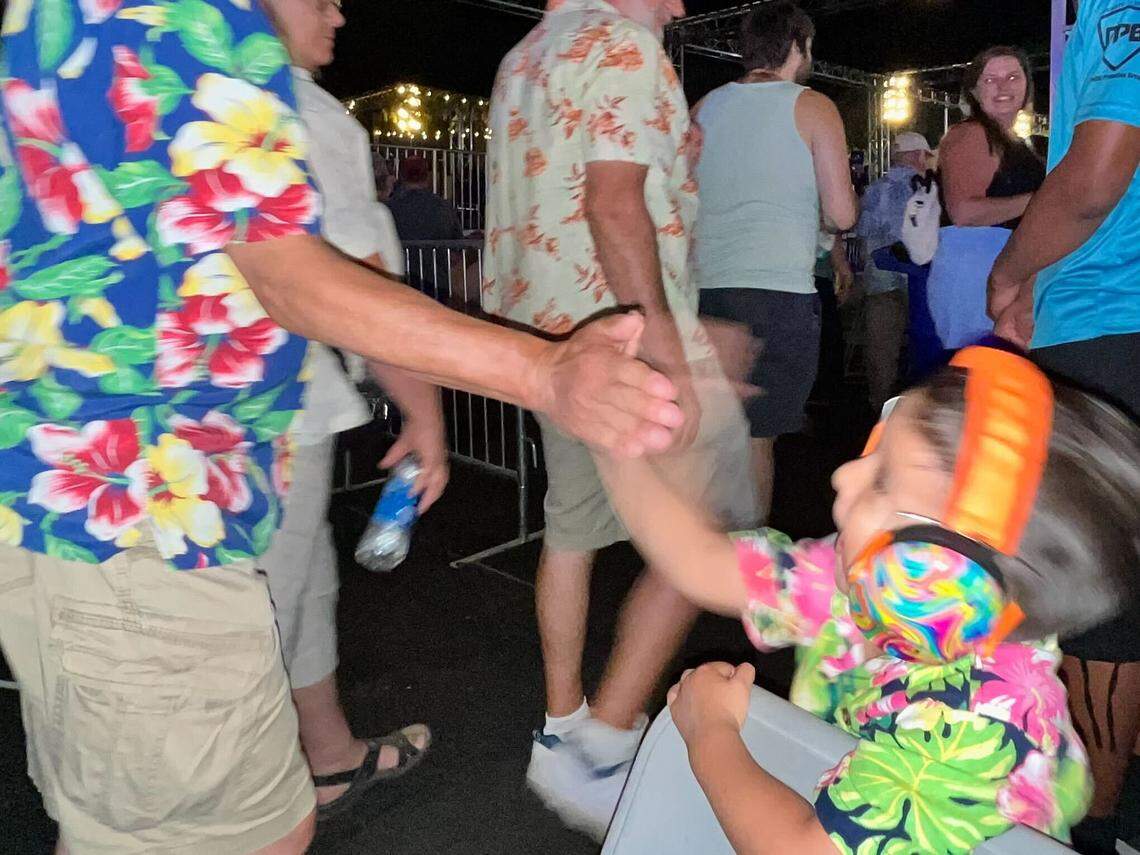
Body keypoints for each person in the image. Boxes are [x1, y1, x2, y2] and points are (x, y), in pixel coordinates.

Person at [0, 1, 686, 851]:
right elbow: (293, 276)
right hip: (136, 509)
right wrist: (545, 371)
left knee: (227, 821)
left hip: (111, 497)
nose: (340, 9)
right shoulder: (184, 15)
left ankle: (337, 753)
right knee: (229, 833)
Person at [596, 348, 1140, 854]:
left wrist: (710, 733)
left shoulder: (983, 722)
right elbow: (703, 562)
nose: (843, 473)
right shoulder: (879, 589)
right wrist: (615, 441)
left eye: (883, 480)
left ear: (942, 576)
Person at [483, 0, 759, 838]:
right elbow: (612, 205)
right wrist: (672, 351)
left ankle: (562, 723)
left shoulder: (523, 58)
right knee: (704, 534)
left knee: (570, 530)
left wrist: (677, 156)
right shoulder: (627, 48)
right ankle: (600, 743)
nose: (679, 7)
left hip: (552, 343)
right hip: (630, 347)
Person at [261, 0, 446, 820]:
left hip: (251, 420)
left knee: (307, 584)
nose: (339, 13)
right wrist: (425, 413)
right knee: (256, 623)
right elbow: (367, 289)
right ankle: (256, 806)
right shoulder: (296, 110)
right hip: (257, 425)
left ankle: (328, 755)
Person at [988, 1, 1140, 849]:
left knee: (1096, 596)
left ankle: (1089, 828)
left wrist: (1012, 271)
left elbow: (1094, 176)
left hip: (1110, 323)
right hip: (1107, 322)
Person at [693, 0, 858, 523]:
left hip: (705, 291)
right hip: (778, 294)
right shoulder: (813, 107)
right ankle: (747, 559)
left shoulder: (704, 107)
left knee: (712, 438)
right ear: (799, 45)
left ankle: (695, 551)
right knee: (757, 439)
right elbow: (843, 212)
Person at [927, 46, 1044, 350]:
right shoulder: (972, 134)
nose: (1003, 86)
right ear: (974, 91)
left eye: (1013, 77)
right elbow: (964, 211)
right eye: (991, 79)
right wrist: (1045, 201)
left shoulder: (1012, 140)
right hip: (977, 272)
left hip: (998, 268)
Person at [855, 131, 939, 409]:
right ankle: (923, 413)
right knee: (925, 351)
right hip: (923, 282)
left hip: (881, 281)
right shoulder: (928, 189)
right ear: (918, 155)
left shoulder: (875, 189)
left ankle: (882, 412)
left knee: (882, 353)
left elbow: (863, 230)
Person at [387, 156, 464, 242]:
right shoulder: (444, 207)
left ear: (401, 176)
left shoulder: (389, 209)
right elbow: (458, 240)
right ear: (427, 176)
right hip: (437, 251)